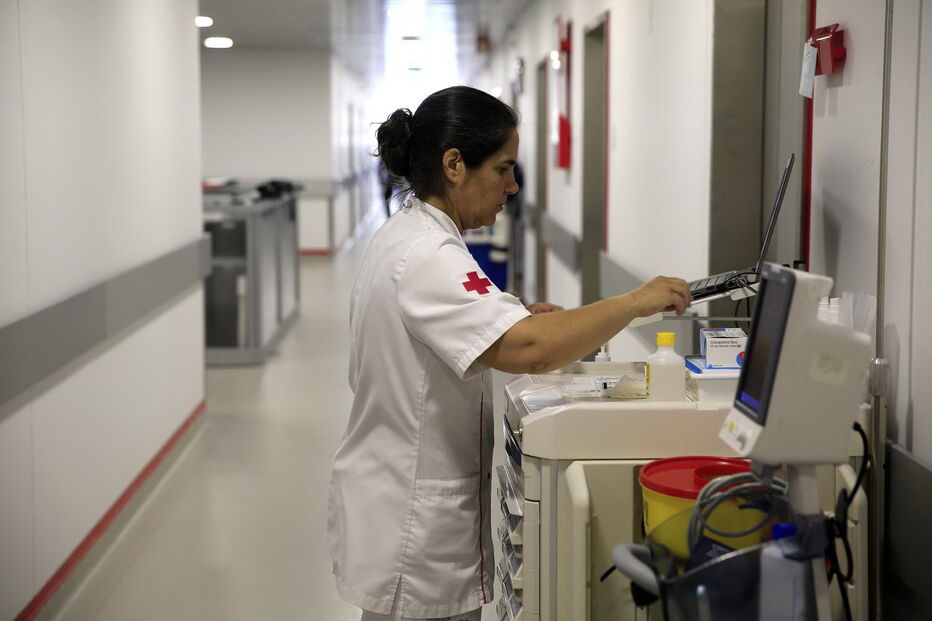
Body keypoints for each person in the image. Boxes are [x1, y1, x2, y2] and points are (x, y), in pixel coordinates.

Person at [327, 86, 692, 621]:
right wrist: (637, 301)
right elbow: (533, 351)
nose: (513, 187)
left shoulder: (409, 235)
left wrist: (508, 312)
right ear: (455, 165)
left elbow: (471, 323)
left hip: (398, 501)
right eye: (504, 169)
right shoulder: (429, 254)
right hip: (414, 521)